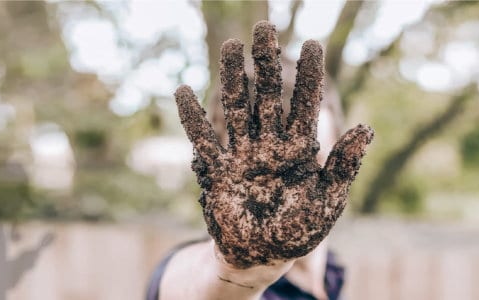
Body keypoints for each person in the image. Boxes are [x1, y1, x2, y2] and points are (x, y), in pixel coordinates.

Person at [147, 20, 373, 300]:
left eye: (311, 162)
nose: (282, 192)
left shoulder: (332, 274)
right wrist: (236, 274)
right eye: (255, 174)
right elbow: (193, 287)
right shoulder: (201, 270)